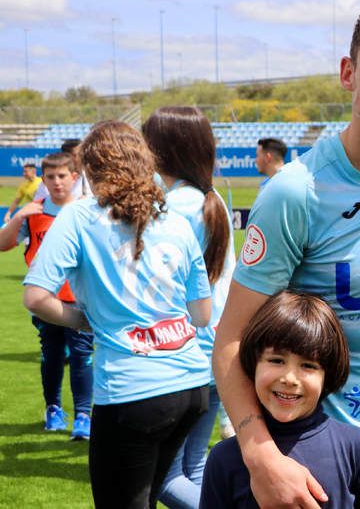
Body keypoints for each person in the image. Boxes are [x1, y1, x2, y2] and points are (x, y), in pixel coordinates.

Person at [213, 0, 360, 509]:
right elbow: (230, 340)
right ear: (349, 73)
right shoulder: (295, 193)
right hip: (313, 460)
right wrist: (261, 455)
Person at [22, 120, 213, 508]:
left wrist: (83, 319)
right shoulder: (174, 219)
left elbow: (36, 296)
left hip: (133, 389)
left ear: (90, 170)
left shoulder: (79, 216)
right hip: (191, 385)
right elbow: (202, 314)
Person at [200, 291, 360, 508]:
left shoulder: (357, 448)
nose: (289, 378)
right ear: (253, 364)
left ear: (328, 374)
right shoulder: (223, 459)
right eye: (277, 360)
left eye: (308, 365)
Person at [143, 106, 236, 509]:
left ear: (163, 149)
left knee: (162, 480)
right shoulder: (208, 198)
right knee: (193, 470)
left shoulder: (177, 205)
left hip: (184, 355)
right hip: (212, 349)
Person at [0, 152, 94, 439]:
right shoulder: (34, 211)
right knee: (51, 355)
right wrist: (17, 219)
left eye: (62, 176)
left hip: (79, 300)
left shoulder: (87, 211)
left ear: (74, 178)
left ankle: (82, 415)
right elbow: (3, 245)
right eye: (50, 177)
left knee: (81, 355)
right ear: (43, 179)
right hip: (44, 301)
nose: (56, 182)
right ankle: (53, 408)